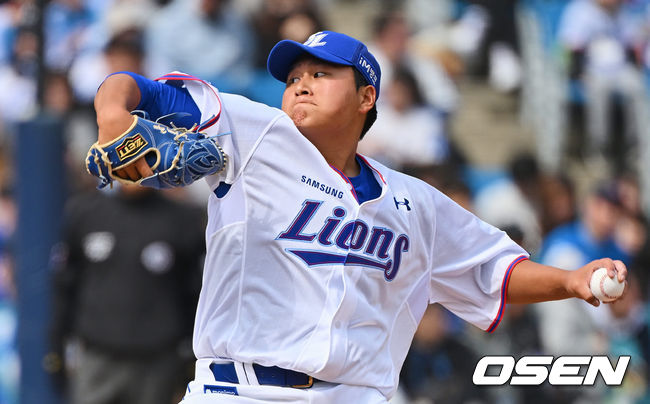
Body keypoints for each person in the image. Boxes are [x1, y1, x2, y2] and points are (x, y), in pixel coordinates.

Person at [89, 30, 628, 403]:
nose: (300, 83)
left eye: (320, 73)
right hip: (238, 390)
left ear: (367, 95)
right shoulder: (254, 134)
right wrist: (115, 118)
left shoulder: (417, 203)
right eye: (293, 75)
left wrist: (572, 280)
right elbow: (133, 87)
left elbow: (496, 273)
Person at [47, 184, 205, 404]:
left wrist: (190, 359)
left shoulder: (182, 219)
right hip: (97, 355)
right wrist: (55, 349)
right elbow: (65, 287)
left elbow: (194, 294)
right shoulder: (84, 213)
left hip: (157, 359)